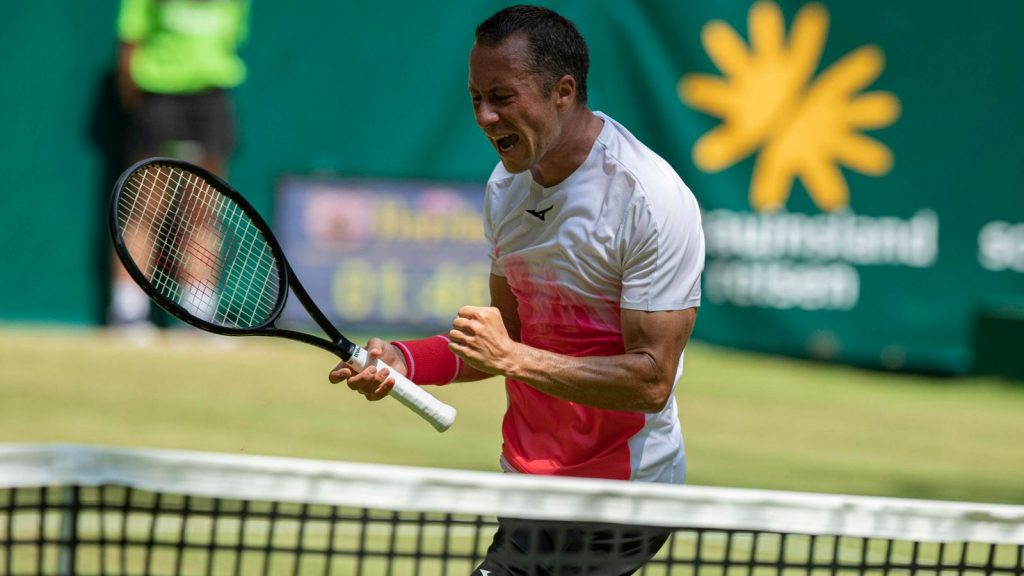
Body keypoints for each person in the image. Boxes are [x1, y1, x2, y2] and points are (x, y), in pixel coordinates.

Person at [329, 5, 704, 574]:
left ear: (562, 91)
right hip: (527, 491)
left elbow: (651, 379)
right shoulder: (506, 188)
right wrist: (404, 361)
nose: (484, 116)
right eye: (475, 96)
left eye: (502, 97)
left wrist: (513, 356)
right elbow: (508, 339)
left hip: (621, 501)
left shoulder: (649, 199)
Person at [107, 0, 250, 333]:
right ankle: (127, 311)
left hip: (211, 98)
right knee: (145, 207)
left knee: (203, 211)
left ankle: (198, 313)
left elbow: (230, 41)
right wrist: (139, 106)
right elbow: (130, 45)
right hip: (159, 96)